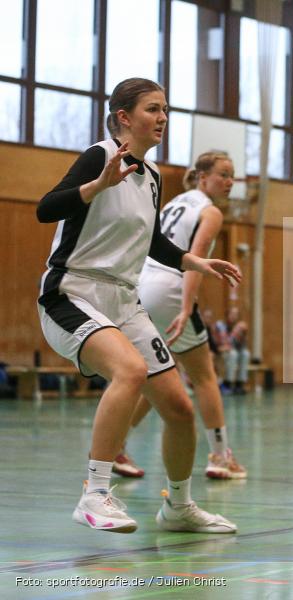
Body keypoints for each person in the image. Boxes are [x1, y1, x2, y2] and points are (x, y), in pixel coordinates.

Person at [36, 77, 240, 534]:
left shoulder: (150, 179)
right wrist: (95, 185)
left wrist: (193, 260)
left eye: (166, 109)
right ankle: (93, 496)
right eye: (152, 109)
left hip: (124, 300)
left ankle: (178, 507)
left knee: (179, 409)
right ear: (124, 117)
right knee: (128, 371)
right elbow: (46, 209)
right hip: (72, 292)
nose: (163, 117)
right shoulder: (99, 156)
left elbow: (150, 241)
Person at [113, 151, 246, 481]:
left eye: (232, 176)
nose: (229, 182)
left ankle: (114, 445)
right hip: (170, 288)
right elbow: (196, 259)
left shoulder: (173, 204)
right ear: (203, 177)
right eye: (223, 174)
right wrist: (187, 308)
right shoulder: (210, 211)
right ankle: (220, 456)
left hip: (141, 285)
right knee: (204, 376)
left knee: (158, 375)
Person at [217, 307, 250, 394]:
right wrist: (235, 332)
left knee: (245, 354)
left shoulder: (240, 327)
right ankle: (228, 383)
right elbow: (225, 343)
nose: (233, 316)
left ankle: (239, 383)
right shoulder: (220, 325)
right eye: (232, 314)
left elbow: (242, 347)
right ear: (227, 315)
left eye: (236, 314)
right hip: (222, 352)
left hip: (234, 351)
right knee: (233, 354)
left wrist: (243, 336)